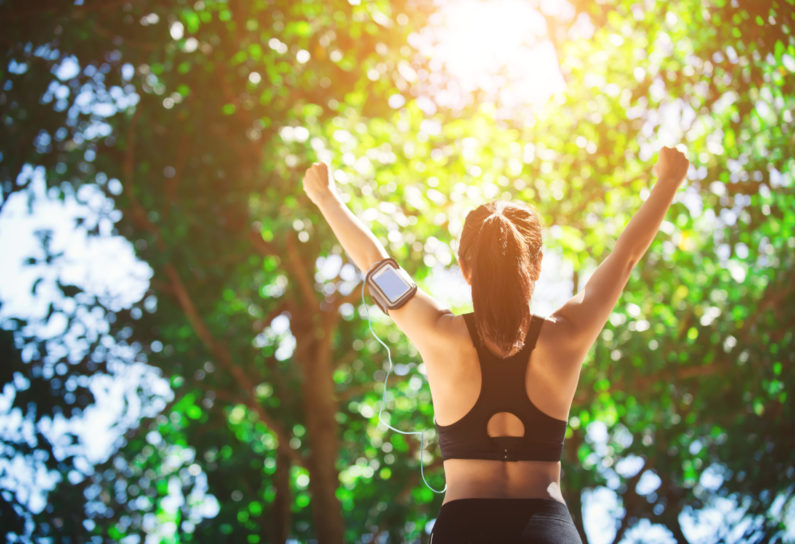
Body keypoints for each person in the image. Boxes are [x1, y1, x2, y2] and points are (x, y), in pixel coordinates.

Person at [302, 146, 690, 543]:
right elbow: (625, 258)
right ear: (536, 265)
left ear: (465, 268)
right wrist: (669, 181)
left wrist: (325, 197)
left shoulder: (438, 333)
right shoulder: (567, 334)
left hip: (463, 530)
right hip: (548, 531)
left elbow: (374, 263)